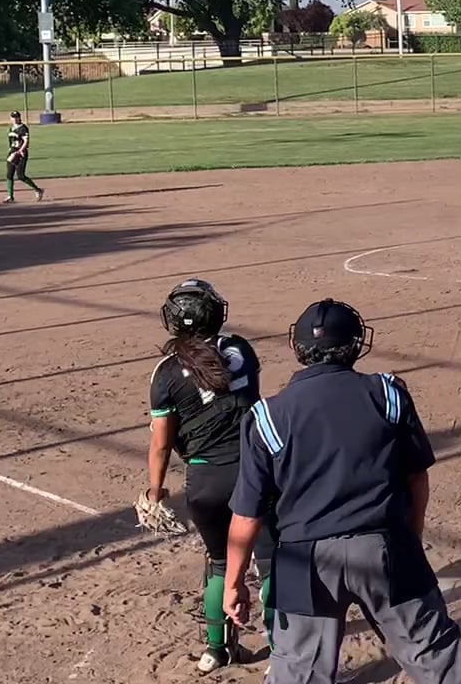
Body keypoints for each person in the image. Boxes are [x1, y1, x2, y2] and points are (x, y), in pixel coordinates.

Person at [224, 298, 461, 684]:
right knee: (432, 654)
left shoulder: (266, 417)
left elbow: (247, 516)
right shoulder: (388, 394)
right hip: (384, 542)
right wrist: (409, 540)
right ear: (356, 344)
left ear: (297, 347)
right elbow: (416, 479)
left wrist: (233, 583)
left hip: (304, 557)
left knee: (299, 670)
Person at [140, 279, 274, 673]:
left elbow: (161, 445)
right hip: (255, 471)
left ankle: (215, 650)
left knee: (218, 562)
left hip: (204, 481)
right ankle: (283, 650)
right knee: (271, 559)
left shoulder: (165, 372)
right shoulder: (241, 350)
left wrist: (155, 490)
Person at [5, 111, 45, 203]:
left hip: (21, 153)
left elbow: (26, 142)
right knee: (9, 174)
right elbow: (11, 141)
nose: (15, 119)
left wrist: (20, 151)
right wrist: (10, 150)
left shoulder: (23, 128)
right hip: (12, 153)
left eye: (16, 117)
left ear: (19, 118)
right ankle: (10, 196)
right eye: (13, 117)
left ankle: (38, 190)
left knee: (21, 175)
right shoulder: (11, 128)